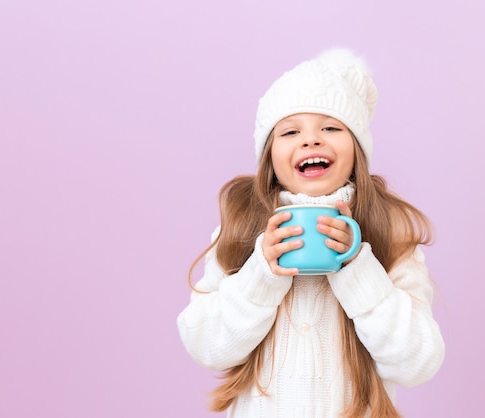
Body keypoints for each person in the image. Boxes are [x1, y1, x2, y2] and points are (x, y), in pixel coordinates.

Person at [177, 48, 445, 418]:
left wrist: (357, 269)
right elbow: (205, 345)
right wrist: (261, 274)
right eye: (290, 131)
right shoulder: (240, 228)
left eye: (331, 127)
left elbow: (418, 361)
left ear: (357, 149)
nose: (311, 140)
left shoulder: (389, 230)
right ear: (270, 155)